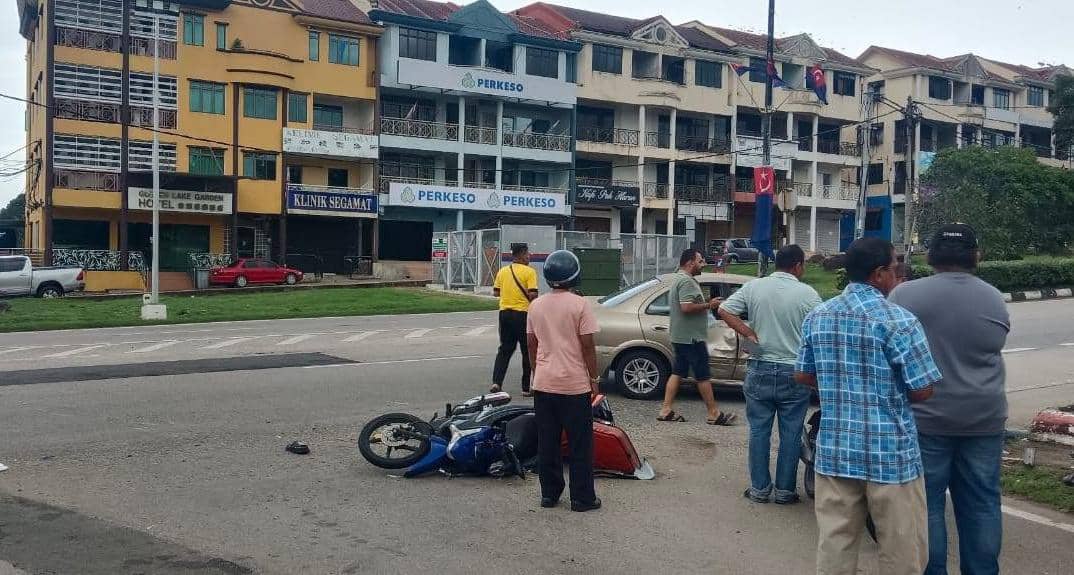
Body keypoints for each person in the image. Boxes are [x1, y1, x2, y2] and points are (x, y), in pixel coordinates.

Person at [795, 237, 941, 575]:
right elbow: (922, 391)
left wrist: (840, 385)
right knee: (902, 548)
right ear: (878, 275)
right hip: (891, 455)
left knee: (835, 544)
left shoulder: (819, 316)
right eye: (894, 268)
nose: (896, 274)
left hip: (836, 451)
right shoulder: (900, 322)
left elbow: (802, 375)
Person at [889, 224, 1009, 575]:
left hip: (924, 418)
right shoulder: (994, 297)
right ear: (976, 255)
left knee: (926, 505)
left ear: (932, 254)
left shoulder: (904, 296)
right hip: (984, 418)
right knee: (983, 503)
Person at [718, 244, 822, 504]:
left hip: (760, 365)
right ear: (798, 266)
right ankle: (785, 492)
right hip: (794, 372)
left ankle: (759, 489)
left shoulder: (755, 287)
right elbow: (822, 328)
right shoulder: (808, 294)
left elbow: (724, 309)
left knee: (759, 431)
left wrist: (747, 332)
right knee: (791, 433)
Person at [526, 250, 602, 512]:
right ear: (575, 274)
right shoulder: (580, 305)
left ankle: (549, 494)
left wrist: (538, 371)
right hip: (574, 385)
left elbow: (531, 344)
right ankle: (582, 498)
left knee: (547, 442)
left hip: (544, 384)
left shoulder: (535, 305)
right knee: (580, 444)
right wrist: (594, 379)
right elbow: (588, 347)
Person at [657, 248, 736, 426]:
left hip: (682, 336)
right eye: (700, 261)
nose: (704, 264)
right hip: (691, 338)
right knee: (702, 374)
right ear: (690, 262)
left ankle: (666, 409)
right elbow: (686, 307)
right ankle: (713, 413)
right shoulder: (685, 281)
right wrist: (710, 304)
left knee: (678, 372)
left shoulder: (680, 278)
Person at [491, 243, 539, 396]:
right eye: (527, 254)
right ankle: (526, 388)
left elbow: (496, 293)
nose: (529, 257)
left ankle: (496, 383)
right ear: (521, 254)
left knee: (504, 350)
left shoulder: (503, 271)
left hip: (504, 314)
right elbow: (533, 294)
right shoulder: (529, 272)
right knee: (527, 351)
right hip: (522, 315)